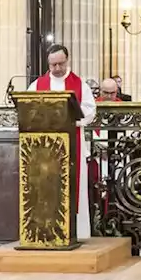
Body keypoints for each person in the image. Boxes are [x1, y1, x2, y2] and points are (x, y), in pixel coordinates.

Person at [29, 43, 97, 238]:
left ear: (67, 61)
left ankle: (78, 232)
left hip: (72, 140)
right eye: (53, 65)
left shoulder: (80, 84)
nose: (57, 69)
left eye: (61, 63)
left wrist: (70, 119)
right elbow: (30, 106)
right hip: (45, 146)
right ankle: (46, 230)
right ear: (48, 64)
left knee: (74, 188)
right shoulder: (37, 85)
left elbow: (90, 110)